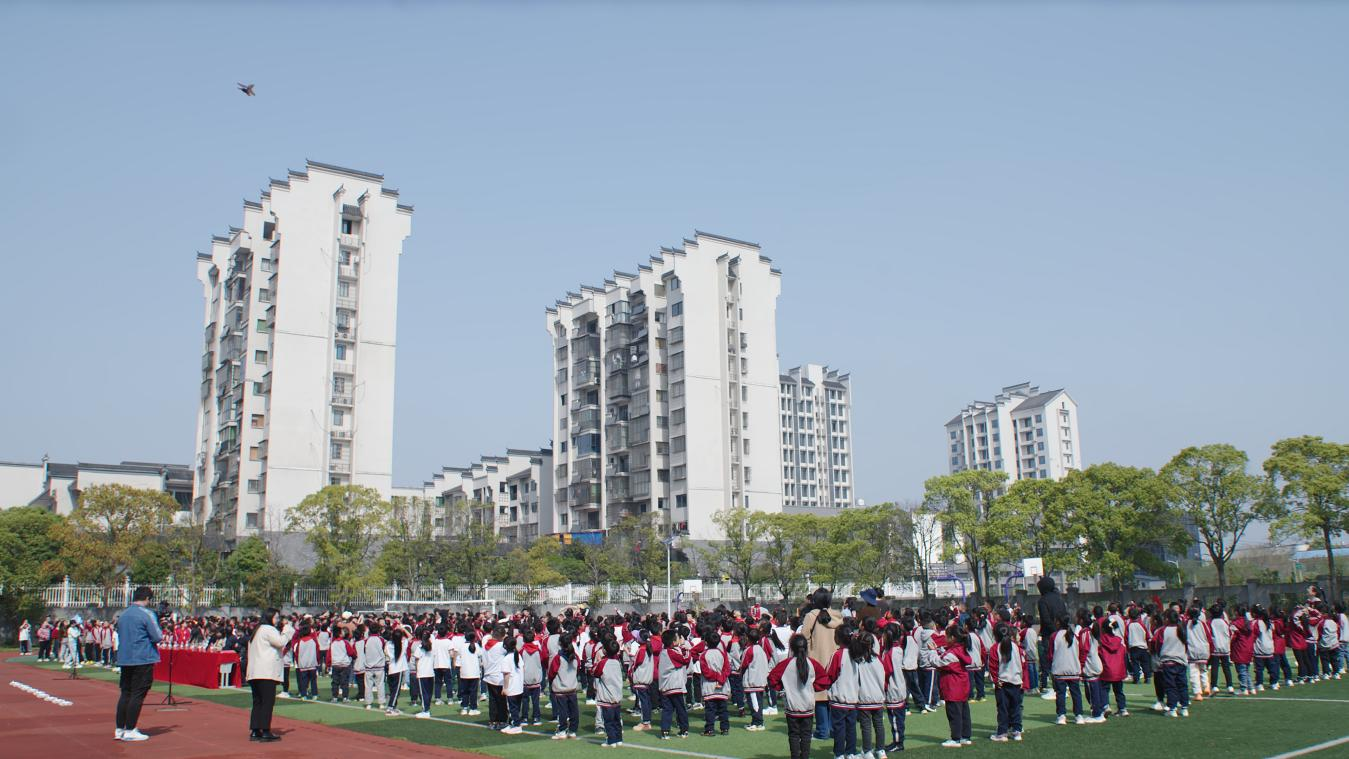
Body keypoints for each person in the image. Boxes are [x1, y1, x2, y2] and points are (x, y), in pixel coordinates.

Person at [769, 633, 830, 759]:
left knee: (793, 735)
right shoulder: (813, 664)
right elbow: (824, 681)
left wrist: (783, 687)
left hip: (792, 706)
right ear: (806, 647)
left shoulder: (785, 664)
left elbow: (772, 679)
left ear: (791, 648)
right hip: (808, 706)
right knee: (806, 735)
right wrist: (812, 688)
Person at [114, 586, 162, 743]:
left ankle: (120, 729)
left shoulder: (123, 614)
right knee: (138, 693)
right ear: (147, 598)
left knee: (126, 693)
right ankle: (130, 729)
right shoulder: (147, 614)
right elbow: (157, 636)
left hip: (125, 657)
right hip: (142, 657)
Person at [802, 587, 842, 739]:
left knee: (820, 697)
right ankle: (833, 729)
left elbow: (804, 637)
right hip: (836, 659)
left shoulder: (811, 616)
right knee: (833, 696)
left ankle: (822, 730)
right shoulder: (838, 616)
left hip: (817, 660)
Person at [246, 608, 291, 742]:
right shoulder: (268, 629)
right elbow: (280, 642)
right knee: (267, 702)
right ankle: (265, 730)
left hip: (255, 671)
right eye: (276, 617)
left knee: (258, 701)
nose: (277, 620)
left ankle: (255, 730)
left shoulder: (257, 630)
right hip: (266, 671)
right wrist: (287, 630)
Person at [936, 622, 973, 748]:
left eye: (947, 636)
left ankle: (956, 738)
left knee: (954, 714)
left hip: (952, 687)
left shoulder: (952, 653)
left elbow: (938, 662)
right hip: (962, 685)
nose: (945, 639)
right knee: (964, 713)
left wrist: (932, 652)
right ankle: (965, 736)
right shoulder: (961, 649)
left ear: (952, 638)